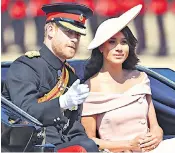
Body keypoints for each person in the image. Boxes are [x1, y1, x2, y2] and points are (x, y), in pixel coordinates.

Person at [2, 2, 99, 152]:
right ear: (50, 30)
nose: (74, 39)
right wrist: (61, 102)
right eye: (69, 32)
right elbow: (24, 112)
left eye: (78, 35)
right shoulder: (26, 66)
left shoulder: (70, 76)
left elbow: (74, 130)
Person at [81, 5, 175, 153]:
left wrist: (158, 133)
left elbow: (155, 125)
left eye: (124, 42)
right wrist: (129, 145)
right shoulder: (90, 87)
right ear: (100, 47)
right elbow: (88, 141)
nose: (119, 48)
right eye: (112, 42)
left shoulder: (140, 78)